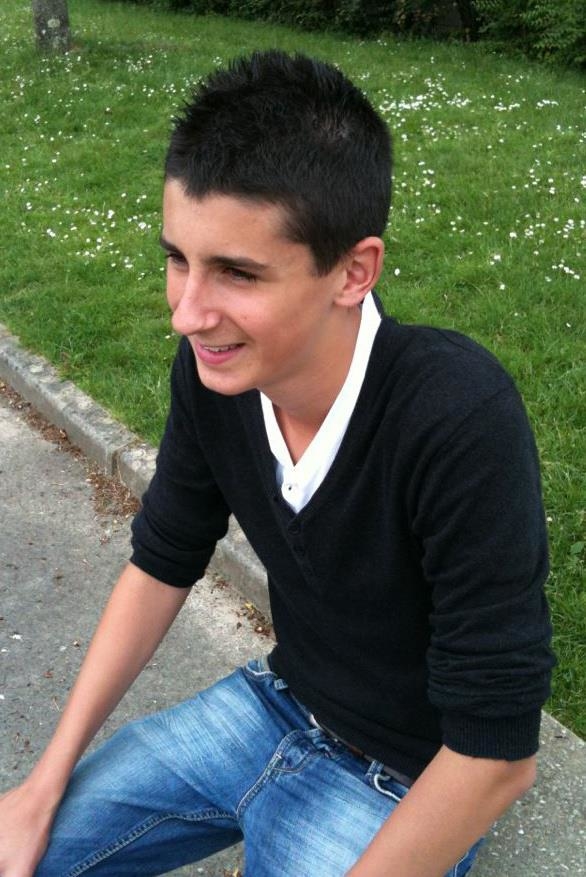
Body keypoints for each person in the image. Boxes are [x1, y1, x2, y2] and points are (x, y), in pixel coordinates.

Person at [0, 50, 554, 877]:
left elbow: (496, 754)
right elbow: (162, 559)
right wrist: (42, 785)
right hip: (275, 702)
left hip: (407, 779)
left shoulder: (457, 417)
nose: (188, 312)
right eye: (178, 257)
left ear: (354, 271)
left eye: (236, 272)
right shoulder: (215, 371)